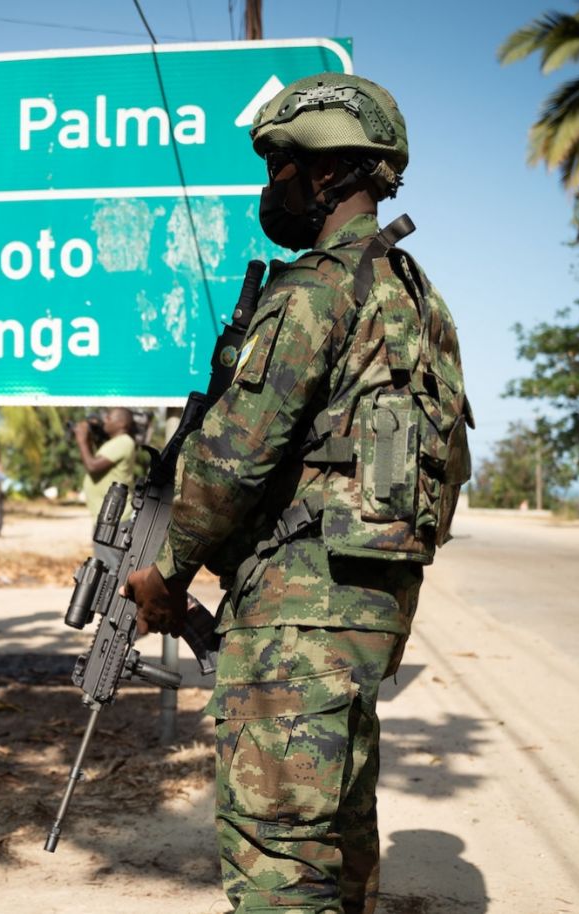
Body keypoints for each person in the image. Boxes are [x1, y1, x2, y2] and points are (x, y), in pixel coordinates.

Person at [123, 73, 470, 914]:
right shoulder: (420, 300)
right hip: (366, 607)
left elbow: (239, 453)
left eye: (280, 164)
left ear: (328, 173)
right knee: (338, 841)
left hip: (296, 620)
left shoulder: (316, 291)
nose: (268, 186)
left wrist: (162, 571)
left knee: (278, 861)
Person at [76, 407, 146, 514]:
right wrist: (88, 439)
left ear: (121, 423)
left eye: (109, 418)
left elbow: (92, 466)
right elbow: (91, 460)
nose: (104, 420)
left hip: (117, 518)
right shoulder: (114, 442)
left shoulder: (124, 441)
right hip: (109, 516)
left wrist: (81, 439)